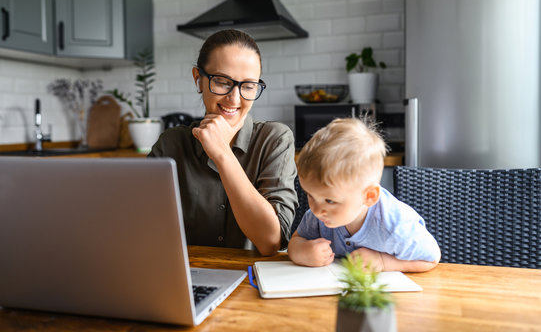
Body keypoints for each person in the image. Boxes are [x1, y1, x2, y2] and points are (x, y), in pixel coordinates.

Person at [149, 29, 298, 256]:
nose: (234, 98)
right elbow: (141, 228)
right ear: (198, 79)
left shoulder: (275, 139)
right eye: (221, 81)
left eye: (248, 86)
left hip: (252, 281)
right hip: (187, 277)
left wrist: (222, 154)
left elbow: (270, 242)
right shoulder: (170, 144)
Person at [288, 117, 440, 272]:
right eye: (310, 195)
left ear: (369, 197)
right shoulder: (319, 216)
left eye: (330, 201)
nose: (317, 209)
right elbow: (296, 240)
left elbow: (431, 258)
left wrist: (383, 262)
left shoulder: (394, 226)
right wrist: (302, 252)